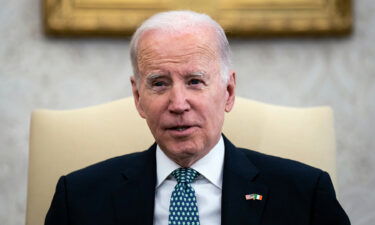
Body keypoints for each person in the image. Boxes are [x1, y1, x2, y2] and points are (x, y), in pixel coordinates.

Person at [45, 10, 350, 225]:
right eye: (159, 83)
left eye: (194, 81)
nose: (178, 104)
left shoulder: (305, 194)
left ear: (228, 92)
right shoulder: (79, 199)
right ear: (138, 98)